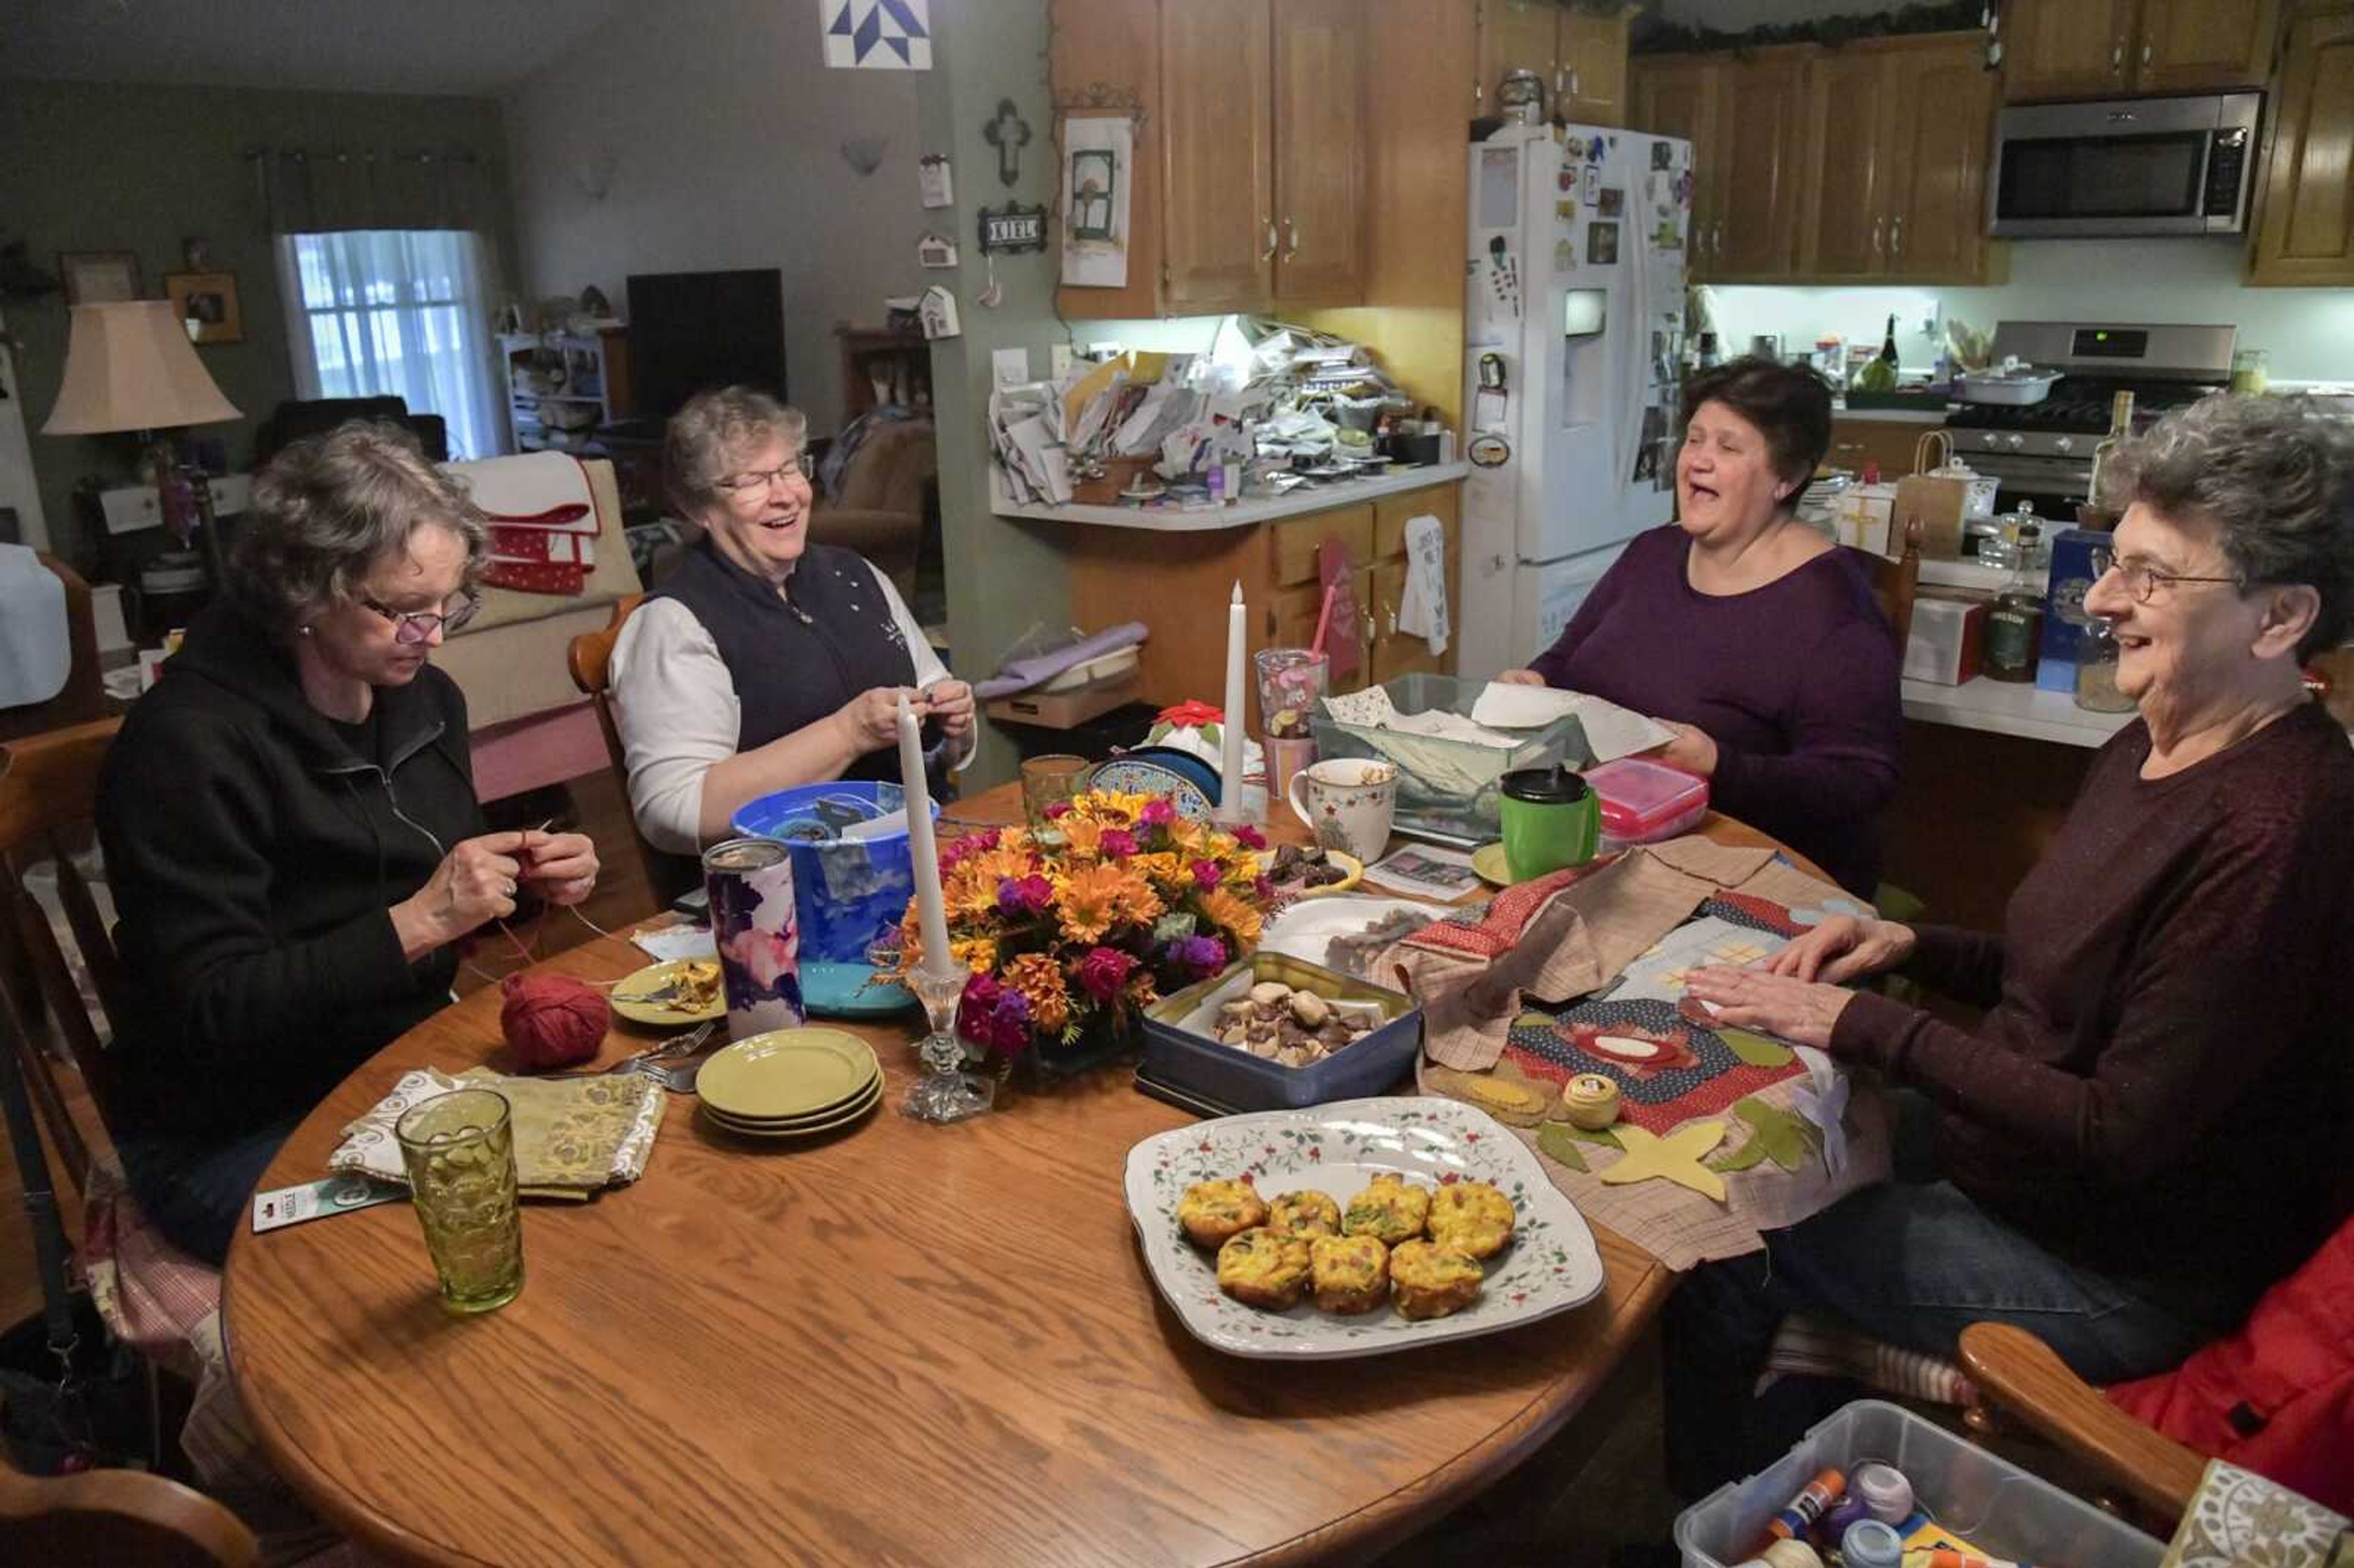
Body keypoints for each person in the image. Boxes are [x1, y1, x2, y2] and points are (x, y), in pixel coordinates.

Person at [1666, 394, 2354, 1494]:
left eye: (2155, 577)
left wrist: (1865, 1021)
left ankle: (1710, 1518)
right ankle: (1797, 1414)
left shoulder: (2282, 830)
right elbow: (2064, 973)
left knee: (1725, 1246)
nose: (2106, 598)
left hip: (2117, 1263)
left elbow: (2116, 1126)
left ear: (2280, 620)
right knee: (1747, 1137)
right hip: (2025, 1173)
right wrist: (1908, 943)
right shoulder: (2156, 736)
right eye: (2117, 560)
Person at [96, 424, 601, 1265]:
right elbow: (210, 1010)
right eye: (403, 610)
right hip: (236, 1124)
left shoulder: (424, 696)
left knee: (599, 1162)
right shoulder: (184, 745)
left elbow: (414, 862)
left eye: (450, 603)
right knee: (459, 1243)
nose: (433, 636)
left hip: (398, 1066)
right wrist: (420, 921)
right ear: (303, 589)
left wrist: (520, 873)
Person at [1497, 357, 1900, 894]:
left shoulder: (1834, 611)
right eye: (1695, 440)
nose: (1698, 463)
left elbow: (1859, 784)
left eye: (1728, 448)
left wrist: (1720, 765)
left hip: (1756, 880)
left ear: (1789, 477)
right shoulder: (1653, 553)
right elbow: (1569, 657)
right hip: (1616, 847)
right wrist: (1538, 684)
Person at [609, 387, 972, 877]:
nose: (785, 494)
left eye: (789, 469)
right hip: (776, 895)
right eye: (752, 481)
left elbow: (935, 727)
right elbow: (675, 812)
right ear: (697, 507)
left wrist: (952, 726)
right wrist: (849, 733)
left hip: (907, 862)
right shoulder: (674, 624)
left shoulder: (856, 575)